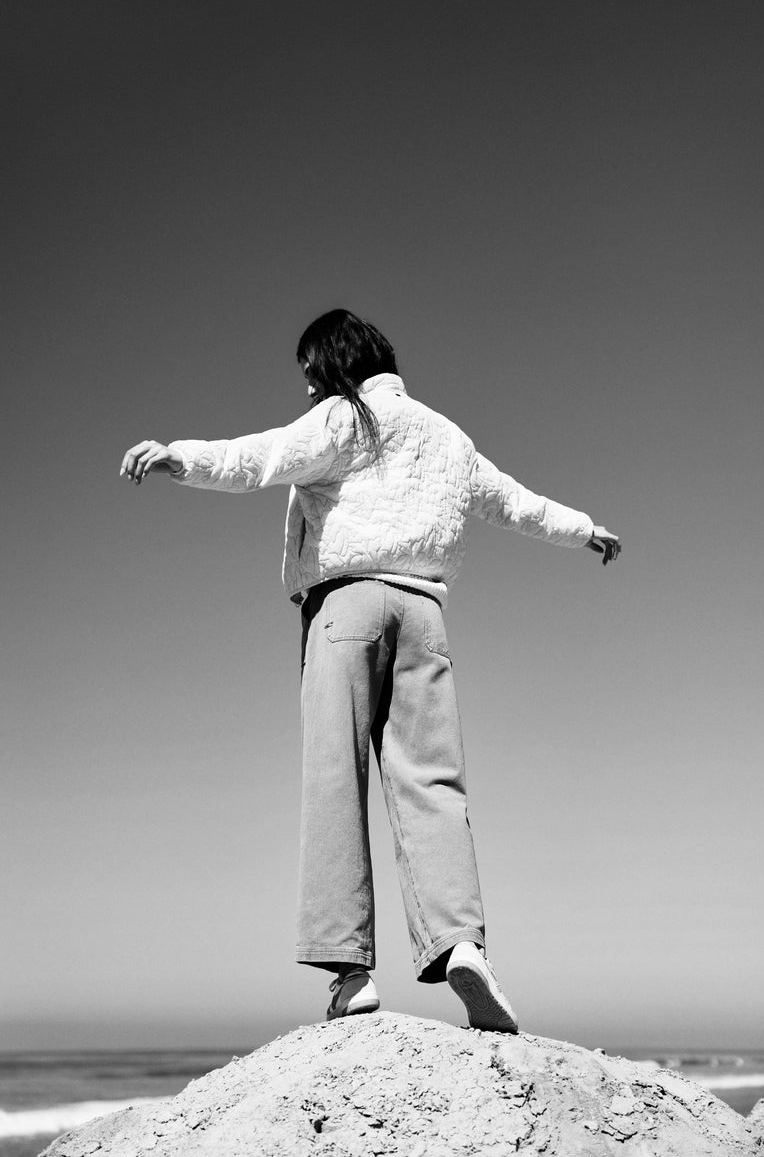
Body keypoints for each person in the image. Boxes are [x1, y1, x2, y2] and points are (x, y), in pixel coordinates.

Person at [120, 309, 620, 1034]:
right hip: (425, 615)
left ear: (333, 367)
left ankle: (349, 972)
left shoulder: (344, 418)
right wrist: (584, 530)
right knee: (433, 783)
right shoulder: (448, 436)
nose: (309, 393)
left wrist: (179, 457)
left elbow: (263, 456)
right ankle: (461, 944)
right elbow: (515, 502)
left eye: (312, 377)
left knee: (335, 774)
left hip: (348, 605)